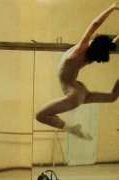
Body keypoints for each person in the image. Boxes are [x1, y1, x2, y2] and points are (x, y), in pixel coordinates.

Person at [36, 2, 119, 140]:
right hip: (80, 90)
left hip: (74, 93)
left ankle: (72, 129)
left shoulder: (80, 50)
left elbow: (94, 24)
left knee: (40, 115)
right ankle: (74, 130)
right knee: (112, 97)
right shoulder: (91, 57)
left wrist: (111, 8)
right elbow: (112, 45)